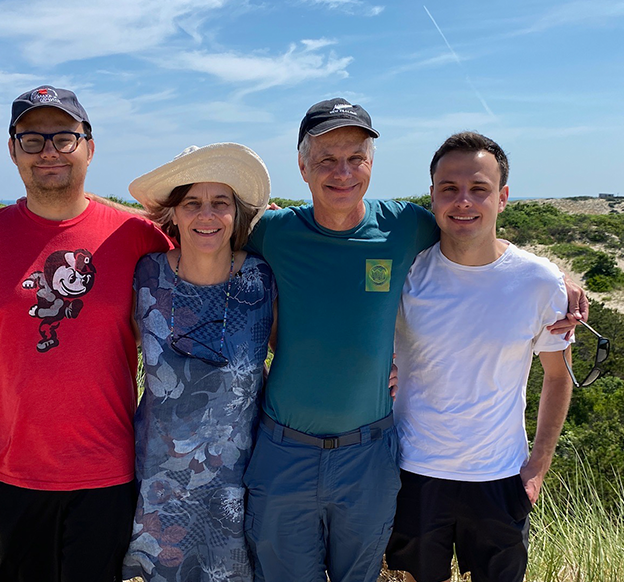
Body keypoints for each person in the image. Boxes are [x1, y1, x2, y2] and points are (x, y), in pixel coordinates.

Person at [241, 100, 587, 582]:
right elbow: (203, 236)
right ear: (301, 166)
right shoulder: (273, 232)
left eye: (356, 157)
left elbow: (481, 243)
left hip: (386, 456)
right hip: (315, 452)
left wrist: (561, 279)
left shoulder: (403, 228)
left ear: (372, 163)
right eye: (326, 159)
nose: (343, 172)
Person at [0, 85, 170, 582]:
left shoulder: (138, 237)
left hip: (108, 470)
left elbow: (206, 261)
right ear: (12, 148)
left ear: (89, 145)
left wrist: (261, 229)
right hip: (12, 467)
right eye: (32, 139)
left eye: (64, 137)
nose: (49, 152)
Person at [385, 132, 574, 582]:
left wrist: (538, 466)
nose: (463, 201)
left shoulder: (540, 281)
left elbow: (557, 377)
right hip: (413, 470)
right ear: (432, 195)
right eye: (449, 188)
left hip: (500, 474)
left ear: (503, 197)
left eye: (479, 189)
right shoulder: (406, 271)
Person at [122, 144, 276, 582]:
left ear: (236, 214)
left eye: (220, 203)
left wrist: (394, 361)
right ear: (175, 213)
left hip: (239, 483)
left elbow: (297, 353)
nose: (206, 215)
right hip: (158, 482)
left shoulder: (262, 278)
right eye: (192, 203)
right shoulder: (146, 274)